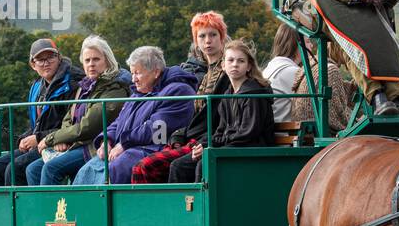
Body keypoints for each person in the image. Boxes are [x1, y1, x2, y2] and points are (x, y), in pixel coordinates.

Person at [72, 46, 197, 185]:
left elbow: (157, 129)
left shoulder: (179, 91)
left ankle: (110, 205)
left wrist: (124, 143)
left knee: (118, 167)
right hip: (126, 146)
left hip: (155, 147)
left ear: (155, 72)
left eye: (137, 73)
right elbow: (119, 122)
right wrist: (107, 140)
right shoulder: (138, 92)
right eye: (132, 73)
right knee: (86, 169)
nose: (133, 79)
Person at [131, 11, 231, 184]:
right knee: (142, 165)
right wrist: (179, 135)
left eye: (213, 35)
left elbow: (219, 118)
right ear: (196, 41)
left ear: (222, 38)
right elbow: (197, 117)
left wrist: (200, 141)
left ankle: (166, 210)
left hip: (208, 140)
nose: (208, 41)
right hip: (194, 137)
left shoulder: (227, 72)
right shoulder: (207, 73)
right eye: (202, 36)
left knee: (145, 166)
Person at [25, 35, 129, 185]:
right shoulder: (85, 86)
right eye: (87, 60)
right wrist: (63, 140)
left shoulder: (115, 89)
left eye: (96, 59)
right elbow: (69, 116)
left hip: (94, 145)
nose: (91, 64)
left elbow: (88, 126)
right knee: (33, 169)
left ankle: (53, 208)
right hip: (77, 143)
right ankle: (39, 208)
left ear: (107, 60)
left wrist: (53, 138)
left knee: (51, 168)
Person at [167, 39, 275, 182]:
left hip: (251, 149)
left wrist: (213, 148)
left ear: (249, 66)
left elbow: (248, 133)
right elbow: (221, 130)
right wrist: (205, 146)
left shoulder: (255, 94)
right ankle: (182, 204)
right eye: (230, 60)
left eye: (241, 61)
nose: (235, 64)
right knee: (178, 165)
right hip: (231, 145)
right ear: (223, 65)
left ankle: (206, 204)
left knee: (204, 164)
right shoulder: (227, 95)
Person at [0, 38, 76, 185]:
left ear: (59, 57)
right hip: (39, 142)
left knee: (14, 169)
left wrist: (37, 138)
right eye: (40, 59)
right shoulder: (37, 87)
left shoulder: (72, 83)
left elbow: (72, 126)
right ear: (33, 64)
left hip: (59, 143)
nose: (46, 63)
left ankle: (19, 208)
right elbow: (38, 125)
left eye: (51, 57)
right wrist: (24, 139)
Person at [262, 23, 303, 123]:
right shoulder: (292, 72)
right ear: (296, 45)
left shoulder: (270, 68)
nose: (311, 46)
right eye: (308, 42)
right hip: (286, 135)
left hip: (275, 129)